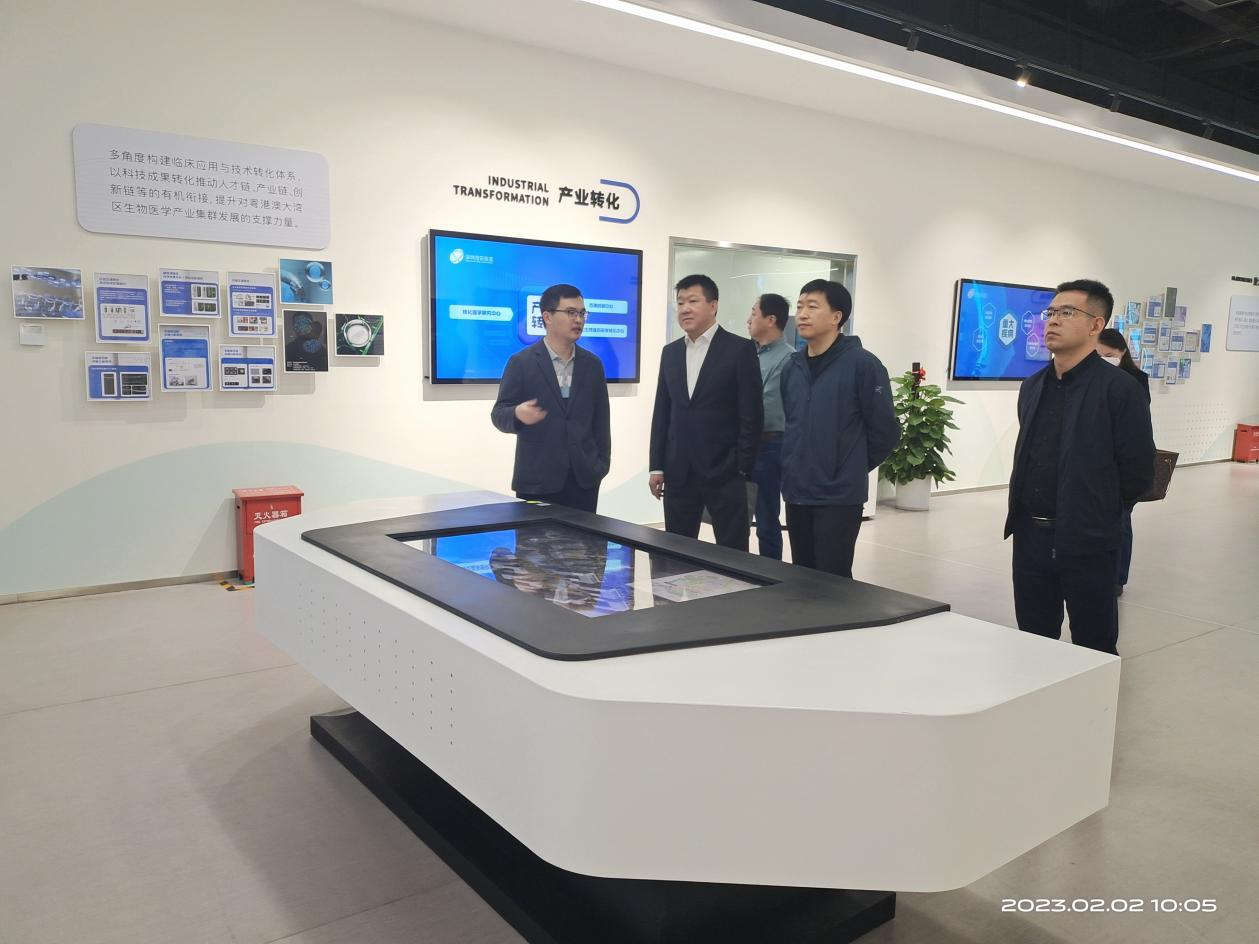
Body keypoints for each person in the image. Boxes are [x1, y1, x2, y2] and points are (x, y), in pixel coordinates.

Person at [1005, 279, 1155, 655]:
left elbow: (1138, 472)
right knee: (1033, 638)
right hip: (1031, 535)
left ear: (1096, 325)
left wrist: (1098, 511)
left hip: (1087, 538)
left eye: (1067, 312)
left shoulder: (1120, 389)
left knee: (1094, 642)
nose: (1053, 320)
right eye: (1051, 312)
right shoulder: (1033, 386)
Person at [780, 279, 899, 578]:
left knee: (834, 580)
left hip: (838, 497)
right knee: (802, 577)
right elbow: (791, 422)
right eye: (800, 306)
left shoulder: (863, 365)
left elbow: (885, 431)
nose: (802, 314)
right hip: (798, 491)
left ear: (837, 316)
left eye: (812, 306)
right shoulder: (792, 367)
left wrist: (848, 465)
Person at [649, 274, 763, 550]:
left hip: (725, 471)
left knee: (732, 551)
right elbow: (662, 411)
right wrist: (657, 466)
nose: (685, 309)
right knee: (677, 551)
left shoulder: (739, 349)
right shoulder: (671, 352)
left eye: (693, 301)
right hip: (678, 471)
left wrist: (742, 466)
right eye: (680, 303)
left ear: (713, 305)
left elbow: (751, 414)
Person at [490, 283, 610, 513]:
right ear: (547, 317)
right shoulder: (522, 362)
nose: (578, 320)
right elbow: (498, 414)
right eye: (571, 312)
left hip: (584, 480)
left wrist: (600, 465)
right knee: (534, 538)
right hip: (537, 481)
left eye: (582, 313)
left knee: (583, 537)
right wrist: (517, 414)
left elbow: (601, 421)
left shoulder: (593, 365)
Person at [1097, 326, 1150, 597]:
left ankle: (1117, 577)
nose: (1104, 359)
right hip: (1098, 463)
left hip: (1123, 463)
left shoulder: (1135, 380)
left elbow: (1138, 427)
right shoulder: (1091, 378)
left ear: (1122, 352)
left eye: (1109, 355)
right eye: (1099, 355)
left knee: (1122, 522)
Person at [746, 293, 794, 559]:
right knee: (737, 516)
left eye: (754, 313)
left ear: (770, 319)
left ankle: (770, 571)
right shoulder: (749, 353)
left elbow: (764, 406)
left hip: (769, 444)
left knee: (766, 519)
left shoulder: (788, 359)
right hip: (745, 443)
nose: (748, 320)